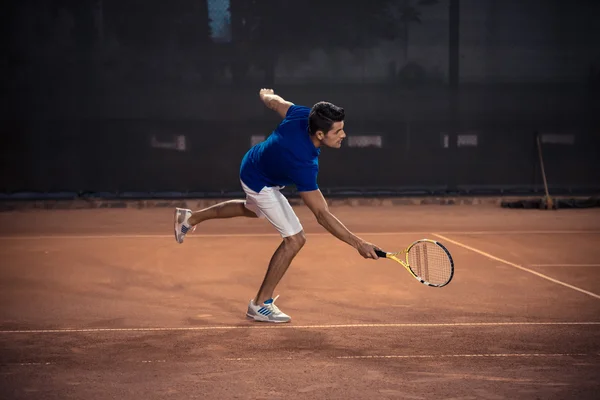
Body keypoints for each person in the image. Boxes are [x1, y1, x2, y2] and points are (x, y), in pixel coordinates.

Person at [173, 88, 381, 323]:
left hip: (253, 162)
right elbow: (322, 214)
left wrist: (265, 95)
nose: (344, 134)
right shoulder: (303, 162)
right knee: (295, 238)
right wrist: (358, 243)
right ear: (320, 134)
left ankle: (189, 219)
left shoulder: (303, 116)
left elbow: (277, 102)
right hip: (260, 180)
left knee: (252, 210)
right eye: (339, 131)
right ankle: (260, 304)